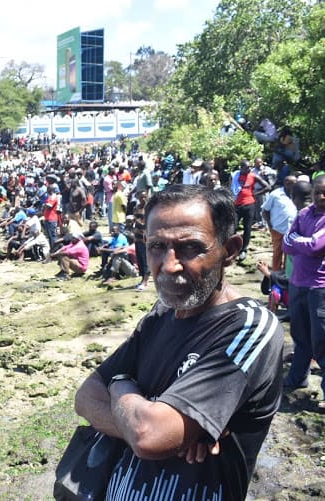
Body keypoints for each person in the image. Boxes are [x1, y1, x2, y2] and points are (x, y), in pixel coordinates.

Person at [75, 184, 284, 500]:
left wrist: (120, 388)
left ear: (230, 250)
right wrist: (150, 427)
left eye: (190, 248)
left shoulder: (249, 328)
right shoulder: (161, 314)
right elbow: (86, 398)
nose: (169, 265)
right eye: (157, 246)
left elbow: (150, 435)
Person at [281, 176, 325, 408]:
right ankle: (297, 378)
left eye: (324, 193)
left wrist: (299, 241)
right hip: (298, 283)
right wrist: (302, 242)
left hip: (320, 287)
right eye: (317, 192)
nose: (321, 197)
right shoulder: (303, 214)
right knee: (300, 335)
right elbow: (285, 243)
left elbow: (315, 247)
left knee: (322, 341)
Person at [234, 159, 271, 261]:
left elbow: (268, 187)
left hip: (249, 205)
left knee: (247, 228)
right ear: (241, 168)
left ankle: (244, 249)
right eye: (247, 167)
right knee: (233, 226)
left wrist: (256, 194)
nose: (250, 169)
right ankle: (234, 247)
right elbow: (231, 188)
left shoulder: (253, 176)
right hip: (236, 205)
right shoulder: (235, 176)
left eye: (250, 167)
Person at [261, 175, 297, 271]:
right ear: (287, 184)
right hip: (277, 228)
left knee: (289, 252)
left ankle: (286, 272)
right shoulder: (275, 194)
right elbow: (265, 210)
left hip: (292, 229)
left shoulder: (296, 194)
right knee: (277, 252)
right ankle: (276, 272)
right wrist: (270, 225)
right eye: (294, 183)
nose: (296, 185)